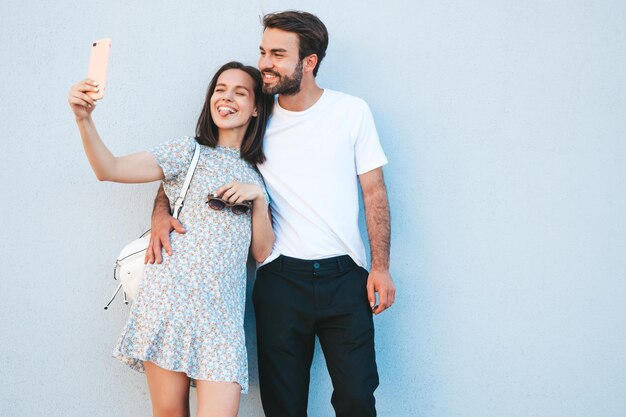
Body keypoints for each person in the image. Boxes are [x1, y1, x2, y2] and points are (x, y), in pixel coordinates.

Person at [148, 11, 396, 417]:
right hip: (281, 280)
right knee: (283, 408)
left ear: (309, 61)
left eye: (278, 54)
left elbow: (374, 192)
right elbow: (197, 161)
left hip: (346, 277)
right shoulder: (256, 116)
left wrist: (381, 267)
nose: (265, 62)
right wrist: (160, 213)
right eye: (263, 51)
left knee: (356, 400)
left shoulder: (351, 112)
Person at [67, 61, 275, 417]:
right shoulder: (188, 151)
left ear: (256, 108)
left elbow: (261, 251)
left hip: (222, 319)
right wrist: (84, 119)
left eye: (240, 92)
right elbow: (109, 169)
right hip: (169, 304)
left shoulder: (261, 173)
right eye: (220, 90)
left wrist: (258, 197)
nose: (226, 98)